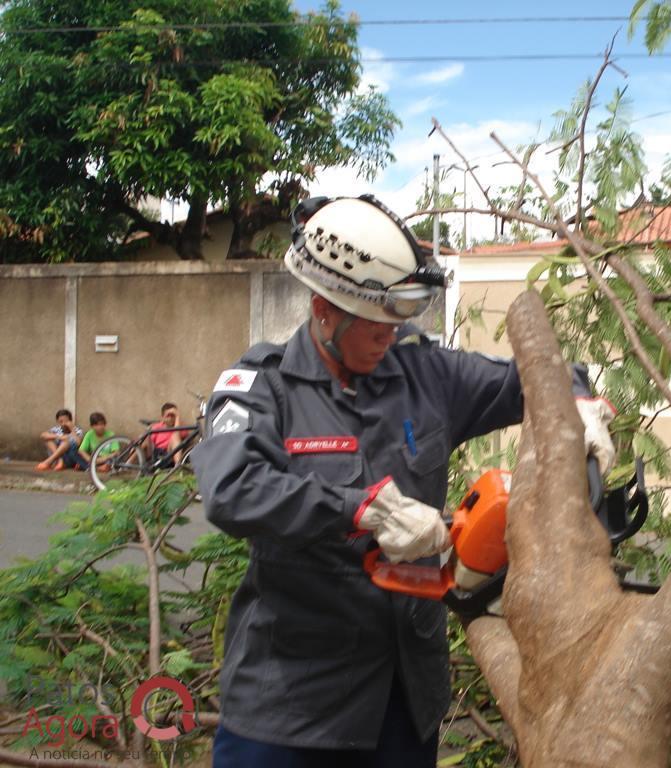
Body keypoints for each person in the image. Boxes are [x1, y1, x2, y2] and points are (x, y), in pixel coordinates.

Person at [190, 194, 616, 768]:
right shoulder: (260, 388)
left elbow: (541, 377)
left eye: (397, 324)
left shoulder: (427, 375)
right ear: (324, 309)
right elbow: (231, 489)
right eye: (374, 326)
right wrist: (360, 510)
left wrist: (580, 403)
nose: (389, 338)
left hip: (402, 699)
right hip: (287, 705)